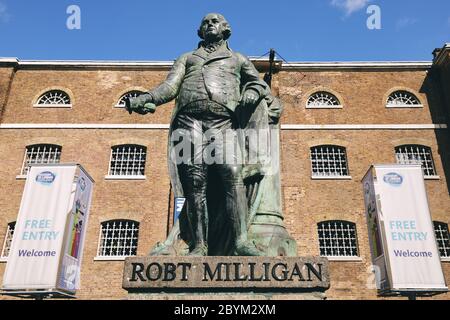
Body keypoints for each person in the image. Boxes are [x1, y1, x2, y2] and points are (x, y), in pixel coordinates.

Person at [126, 13, 269, 256]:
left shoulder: (237, 59)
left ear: (226, 29)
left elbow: (257, 83)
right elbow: (170, 87)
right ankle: (199, 245)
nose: (210, 24)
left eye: (215, 21)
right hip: (188, 121)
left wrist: (252, 92)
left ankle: (241, 242)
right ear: (200, 31)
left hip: (223, 122)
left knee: (232, 174)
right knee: (195, 182)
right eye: (206, 22)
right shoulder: (187, 58)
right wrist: (147, 98)